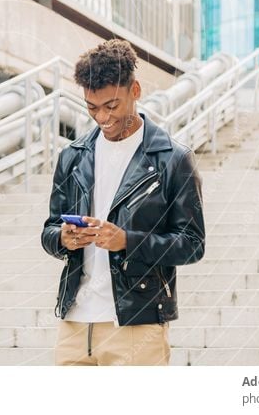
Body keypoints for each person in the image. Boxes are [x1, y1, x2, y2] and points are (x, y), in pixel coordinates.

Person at [41, 39, 205, 366]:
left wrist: (127, 241)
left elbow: (192, 244)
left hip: (136, 324)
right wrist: (63, 238)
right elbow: (49, 230)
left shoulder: (173, 159)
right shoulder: (73, 157)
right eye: (92, 107)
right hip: (74, 324)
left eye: (111, 105)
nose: (102, 117)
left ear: (136, 90)